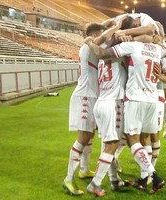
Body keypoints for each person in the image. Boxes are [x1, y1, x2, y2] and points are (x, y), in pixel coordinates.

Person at [85, 33, 166, 194]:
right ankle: (96, 183)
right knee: (120, 143)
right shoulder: (143, 50)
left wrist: (90, 41)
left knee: (112, 144)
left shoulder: (118, 52)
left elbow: (100, 53)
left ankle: (115, 181)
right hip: (117, 103)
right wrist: (157, 41)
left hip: (103, 101)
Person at [62, 23, 107, 196]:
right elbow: (103, 38)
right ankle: (68, 179)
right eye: (100, 35)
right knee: (82, 138)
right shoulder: (87, 47)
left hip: (91, 96)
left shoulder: (90, 46)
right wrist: (117, 25)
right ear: (94, 35)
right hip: (85, 96)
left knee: (90, 135)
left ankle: (84, 169)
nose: (103, 39)